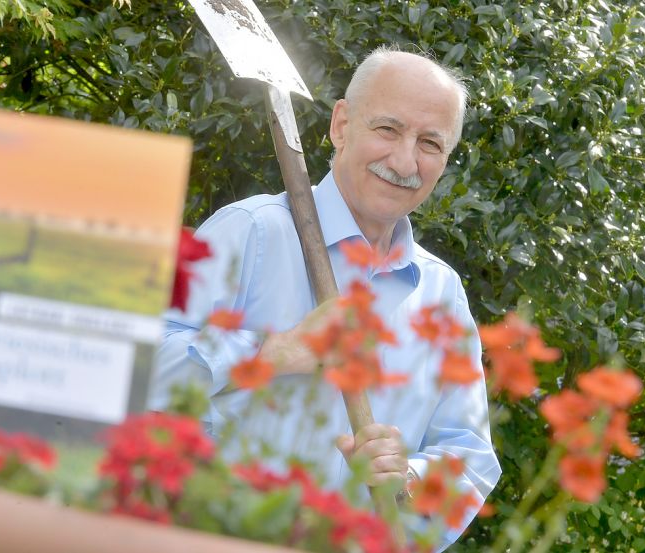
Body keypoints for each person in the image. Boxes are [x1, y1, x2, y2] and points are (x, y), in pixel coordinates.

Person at [150, 46, 500, 549]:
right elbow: (130, 365)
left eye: (429, 143)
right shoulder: (251, 233)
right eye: (388, 129)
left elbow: (469, 455)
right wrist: (270, 353)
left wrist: (408, 479)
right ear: (341, 125)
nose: (405, 160)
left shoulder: (441, 293)